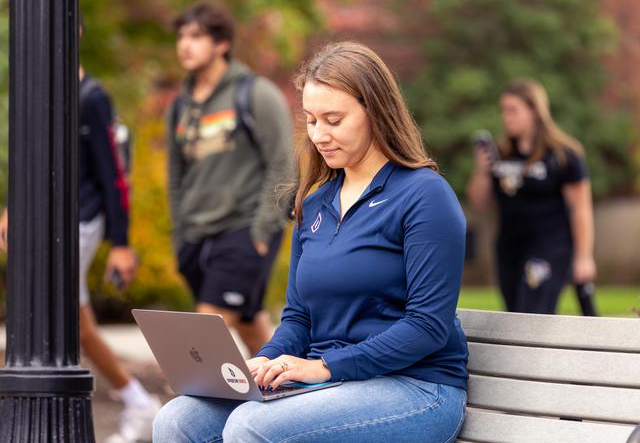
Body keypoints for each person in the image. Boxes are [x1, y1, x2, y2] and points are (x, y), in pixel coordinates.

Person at [153, 41, 468, 443]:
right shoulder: (315, 202)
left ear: (376, 112)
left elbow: (427, 326)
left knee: (251, 427)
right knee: (179, 419)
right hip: (334, 382)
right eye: (312, 120)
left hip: (417, 388)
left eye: (333, 120)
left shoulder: (424, 196)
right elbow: (299, 318)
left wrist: (324, 367)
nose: (319, 135)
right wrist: (263, 361)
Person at [0, 19, 160, 443]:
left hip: (81, 219)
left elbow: (114, 176)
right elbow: (27, 158)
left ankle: (136, 400)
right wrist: (10, 207)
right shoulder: (34, 89)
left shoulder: (92, 98)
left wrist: (122, 244)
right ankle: (138, 401)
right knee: (76, 322)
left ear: (75, 33)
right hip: (42, 219)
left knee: (60, 312)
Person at [167, 1, 293, 356]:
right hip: (195, 236)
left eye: (196, 36)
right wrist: (180, 237)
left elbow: (283, 163)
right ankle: (290, 395)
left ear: (222, 44)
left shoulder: (255, 93)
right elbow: (176, 175)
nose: (184, 45)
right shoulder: (181, 104)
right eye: (181, 36)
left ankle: (192, 409)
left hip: (243, 230)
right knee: (250, 324)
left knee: (205, 337)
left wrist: (264, 228)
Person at [467, 78, 597, 314]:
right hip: (510, 247)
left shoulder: (562, 155)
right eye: (504, 110)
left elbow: (581, 208)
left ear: (534, 111)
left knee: (533, 311)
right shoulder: (503, 153)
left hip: (548, 246)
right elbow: (479, 201)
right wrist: (483, 171)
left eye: (513, 110)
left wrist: (584, 256)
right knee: (516, 315)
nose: (506, 117)